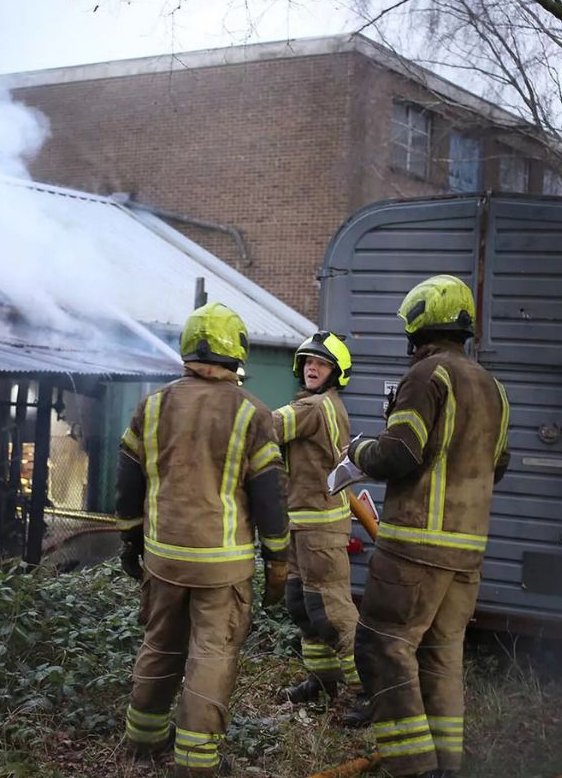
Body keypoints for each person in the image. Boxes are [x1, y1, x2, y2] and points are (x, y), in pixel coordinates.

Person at [116, 301, 289, 778]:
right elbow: (270, 497)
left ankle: (143, 739)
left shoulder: (152, 406)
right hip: (223, 564)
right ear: (237, 352)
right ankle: (196, 761)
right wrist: (278, 562)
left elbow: (128, 483)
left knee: (160, 644)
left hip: (163, 558)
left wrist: (131, 542)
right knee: (212, 655)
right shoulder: (253, 413)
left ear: (188, 348)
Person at [346, 275, 510, 778]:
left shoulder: (426, 376)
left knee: (382, 647)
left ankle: (413, 767)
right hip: (466, 555)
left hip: (416, 549)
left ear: (418, 324)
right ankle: (447, 765)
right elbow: (497, 466)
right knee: (442, 657)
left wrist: (355, 451)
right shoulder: (493, 388)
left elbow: (398, 453)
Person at [272, 331, 363, 710]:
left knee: (333, 613)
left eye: (321, 363)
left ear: (335, 372)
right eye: (308, 361)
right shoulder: (320, 404)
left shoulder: (313, 408)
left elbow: (265, 427)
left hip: (319, 529)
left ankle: (369, 690)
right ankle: (323, 682)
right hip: (301, 526)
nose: (312, 367)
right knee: (302, 605)